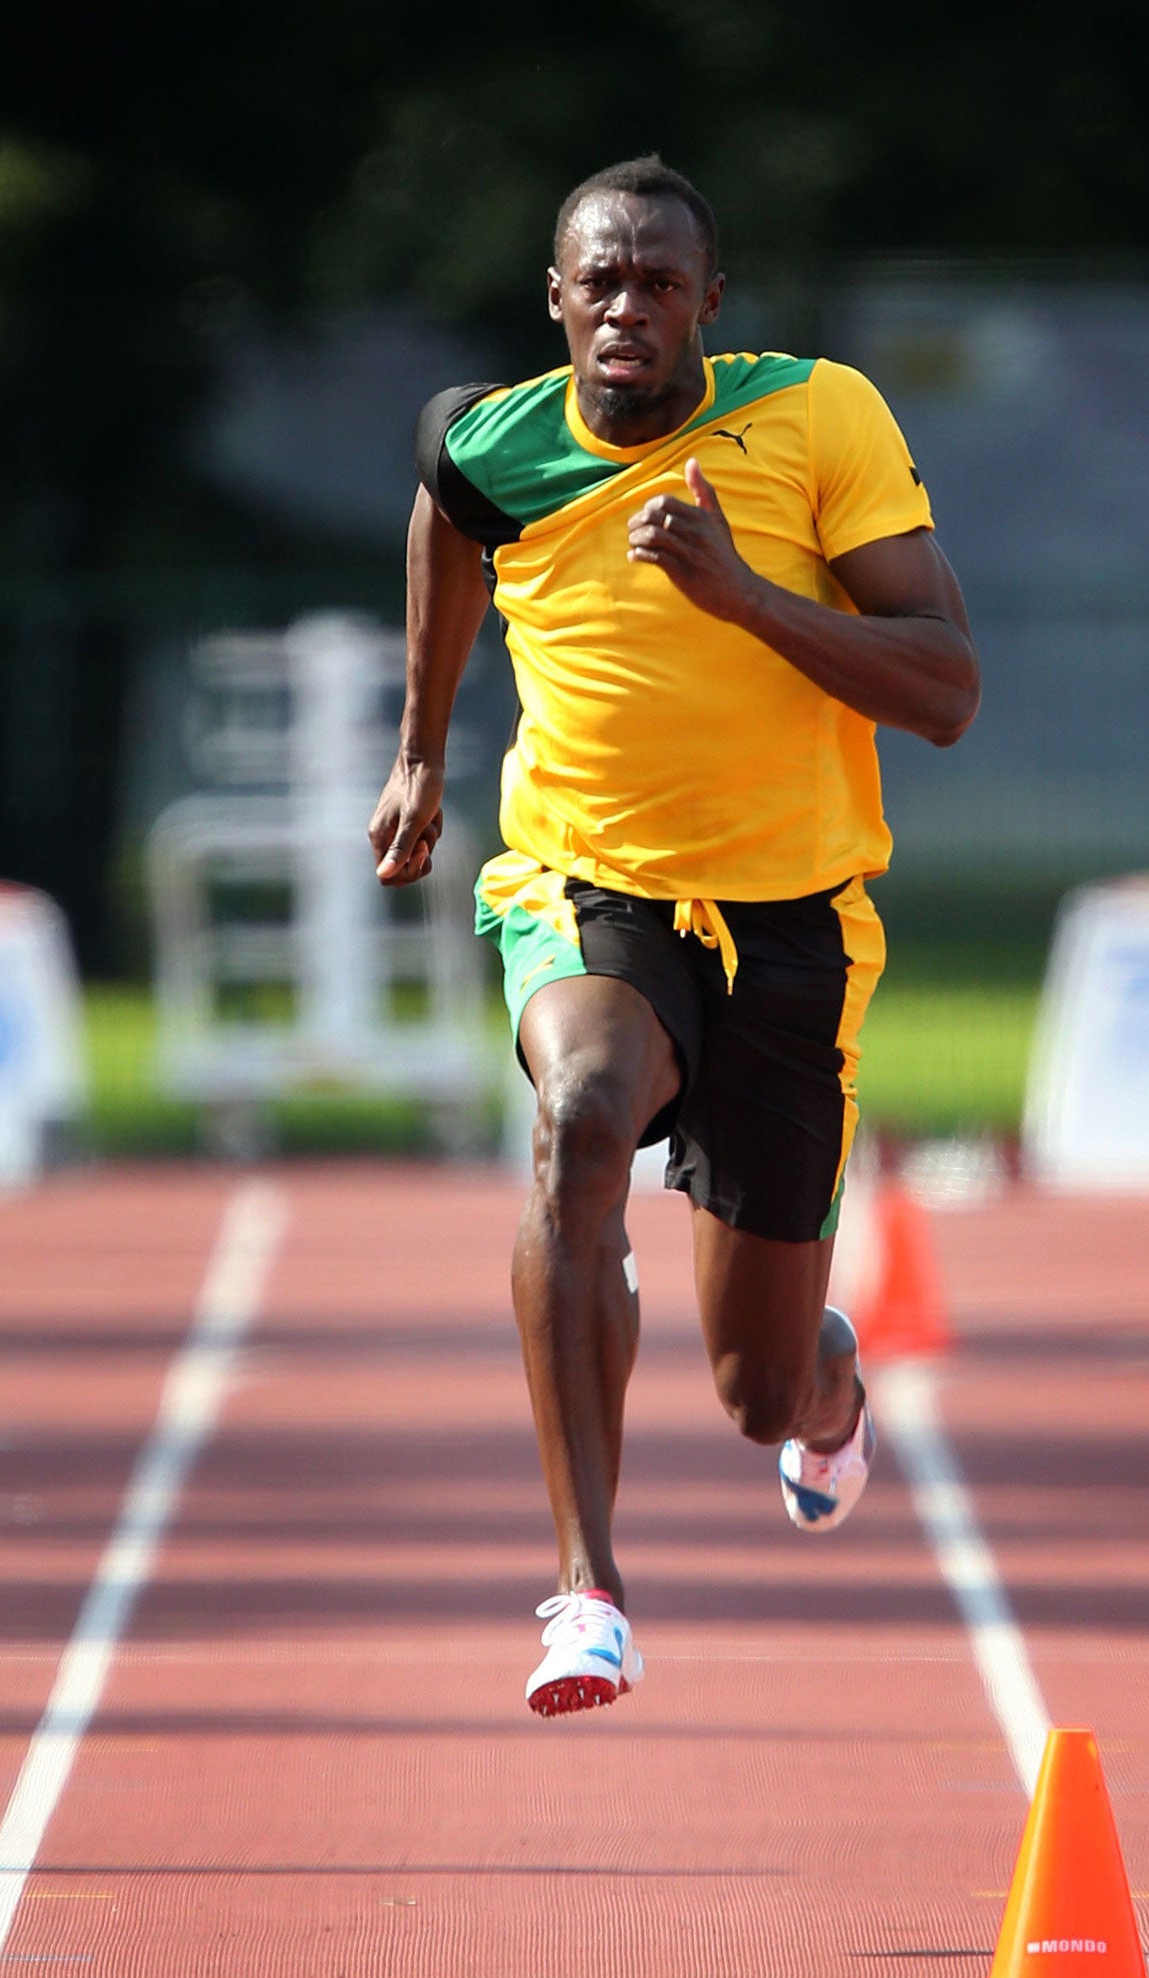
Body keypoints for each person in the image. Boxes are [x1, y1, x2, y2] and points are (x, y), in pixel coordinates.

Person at [368, 155, 979, 1718]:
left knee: (753, 1383)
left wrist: (743, 598)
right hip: (587, 883)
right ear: (556, 302)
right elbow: (444, 513)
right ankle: (588, 1589)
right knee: (580, 1123)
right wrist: (424, 751)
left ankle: (829, 1387)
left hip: (792, 922)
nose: (628, 306)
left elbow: (945, 689)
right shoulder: (492, 444)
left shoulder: (821, 418)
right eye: (602, 280)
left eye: (659, 282)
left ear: (712, 302)